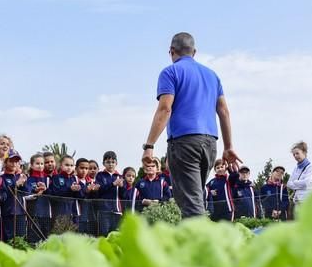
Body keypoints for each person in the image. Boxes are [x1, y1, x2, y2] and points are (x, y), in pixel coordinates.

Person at [142, 32, 241, 218]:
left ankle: (202, 245)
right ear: (194, 52)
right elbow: (224, 111)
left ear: (171, 51)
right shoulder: (212, 76)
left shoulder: (170, 72)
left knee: (191, 206)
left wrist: (149, 146)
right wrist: (228, 147)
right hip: (210, 144)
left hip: (184, 143)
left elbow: (165, 109)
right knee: (195, 198)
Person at [0, 150, 28, 242]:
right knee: (9, 241)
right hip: (8, 214)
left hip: (21, 213)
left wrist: (24, 183)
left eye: (16, 161)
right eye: (11, 161)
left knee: (21, 241)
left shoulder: (19, 176)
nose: (14, 163)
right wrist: (16, 184)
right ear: (5, 162)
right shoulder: (1, 178)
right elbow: (4, 194)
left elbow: (27, 192)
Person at [94, 150, 124, 235]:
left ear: (116, 163)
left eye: (113, 162)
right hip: (104, 210)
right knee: (104, 234)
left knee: (115, 235)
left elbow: (123, 195)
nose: (111, 164)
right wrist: (113, 184)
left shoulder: (120, 176)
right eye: (108, 162)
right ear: (103, 163)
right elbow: (100, 190)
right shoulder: (100, 175)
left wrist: (122, 187)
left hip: (117, 210)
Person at [48, 155, 82, 228]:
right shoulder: (56, 178)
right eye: (66, 165)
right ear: (61, 165)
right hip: (60, 212)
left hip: (73, 212)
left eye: (71, 165)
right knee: (60, 233)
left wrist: (78, 190)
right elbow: (56, 193)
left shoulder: (74, 179)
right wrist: (70, 189)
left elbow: (80, 196)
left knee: (73, 235)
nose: (69, 167)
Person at [25, 153, 51, 243]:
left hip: (46, 213)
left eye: (42, 164)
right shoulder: (29, 179)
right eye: (37, 163)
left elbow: (52, 193)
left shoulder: (47, 179)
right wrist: (35, 191)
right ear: (32, 165)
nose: (40, 166)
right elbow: (26, 192)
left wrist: (45, 189)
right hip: (33, 212)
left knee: (46, 236)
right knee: (34, 236)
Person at [287, 141, 312, 211]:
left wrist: (294, 182)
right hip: (297, 202)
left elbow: (306, 183)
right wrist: (300, 184)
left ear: (304, 152)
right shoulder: (296, 168)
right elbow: (289, 184)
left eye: (297, 153)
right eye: (294, 154)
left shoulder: (311, 167)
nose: (295, 156)